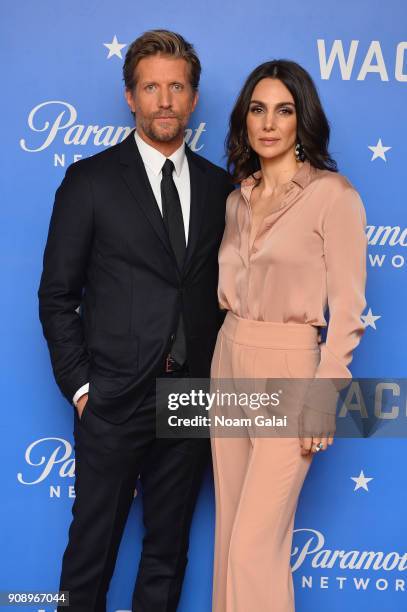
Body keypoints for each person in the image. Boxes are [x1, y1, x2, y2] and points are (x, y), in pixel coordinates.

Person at [38, 29, 233, 612]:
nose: (165, 100)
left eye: (177, 88)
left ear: (194, 98)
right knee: (90, 554)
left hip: (191, 396)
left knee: (167, 553)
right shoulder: (90, 181)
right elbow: (56, 294)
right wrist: (81, 387)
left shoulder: (223, 189)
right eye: (152, 87)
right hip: (114, 397)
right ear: (131, 96)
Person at [210, 60, 367, 612]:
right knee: (231, 535)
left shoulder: (333, 195)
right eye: (258, 109)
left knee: (256, 543)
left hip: (291, 367)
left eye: (284, 110)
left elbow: (348, 308)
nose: (269, 123)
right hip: (228, 356)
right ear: (245, 120)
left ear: (303, 120)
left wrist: (326, 395)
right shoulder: (236, 199)